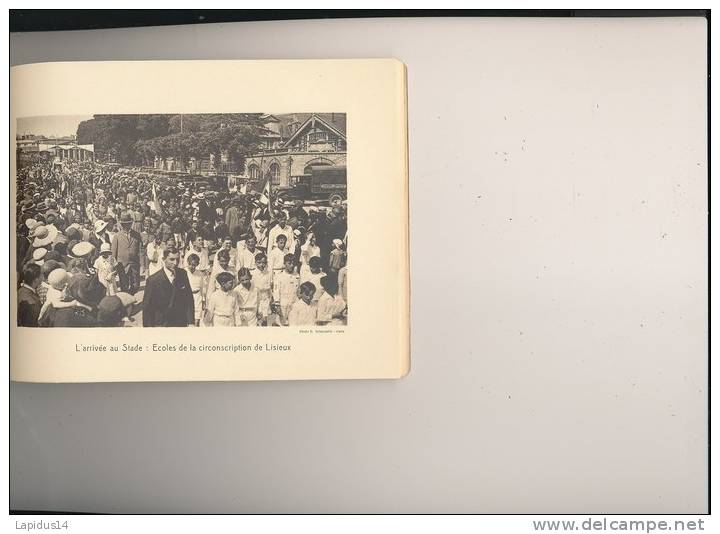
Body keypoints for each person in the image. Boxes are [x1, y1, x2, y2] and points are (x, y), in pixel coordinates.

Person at [142, 247, 195, 327]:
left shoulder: (183, 274)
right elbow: (147, 308)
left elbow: (189, 299)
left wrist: (191, 322)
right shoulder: (153, 281)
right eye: (172, 259)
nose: (175, 262)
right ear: (164, 259)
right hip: (162, 325)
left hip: (180, 323)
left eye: (178, 259)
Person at [111, 212, 142, 294]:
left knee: (136, 285)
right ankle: (127, 303)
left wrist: (141, 262)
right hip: (122, 265)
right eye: (124, 224)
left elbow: (140, 249)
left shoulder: (137, 235)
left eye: (128, 224)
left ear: (131, 224)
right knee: (124, 285)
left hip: (134, 264)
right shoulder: (117, 236)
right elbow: (113, 252)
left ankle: (131, 296)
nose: (126, 226)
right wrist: (113, 265)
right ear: (121, 225)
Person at [272, 253, 300, 325]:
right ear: (284, 264)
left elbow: (298, 290)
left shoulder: (297, 275)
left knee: (293, 324)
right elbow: (276, 291)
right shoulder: (279, 276)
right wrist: (277, 305)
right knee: (281, 324)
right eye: (289, 263)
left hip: (294, 303)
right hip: (283, 305)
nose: (292, 265)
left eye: (293, 263)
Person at [253, 252, 273, 325]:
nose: (261, 265)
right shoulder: (253, 274)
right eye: (259, 262)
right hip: (257, 299)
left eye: (264, 262)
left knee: (265, 319)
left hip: (266, 299)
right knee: (258, 319)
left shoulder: (268, 273)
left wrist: (271, 299)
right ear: (255, 263)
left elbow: (270, 288)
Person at [186, 253, 205, 327]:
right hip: (187, 297)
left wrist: (203, 300)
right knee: (188, 320)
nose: (192, 267)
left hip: (197, 298)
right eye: (191, 264)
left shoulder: (200, 274)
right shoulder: (184, 272)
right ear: (188, 262)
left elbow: (203, 288)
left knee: (197, 321)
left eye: (194, 265)